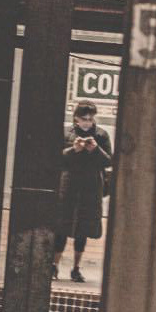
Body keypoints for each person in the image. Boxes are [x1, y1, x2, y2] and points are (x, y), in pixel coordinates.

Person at [53, 101, 113, 282]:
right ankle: (54, 265)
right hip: (69, 185)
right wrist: (74, 150)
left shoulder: (101, 135)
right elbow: (56, 158)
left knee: (83, 229)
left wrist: (95, 149)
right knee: (62, 226)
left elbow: (108, 161)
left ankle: (76, 268)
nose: (87, 122)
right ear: (76, 119)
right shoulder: (66, 133)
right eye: (83, 119)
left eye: (90, 119)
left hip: (91, 187)